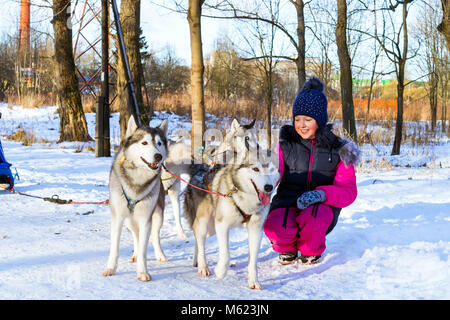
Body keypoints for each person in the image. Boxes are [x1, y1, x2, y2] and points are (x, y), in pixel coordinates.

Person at [263, 77, 360, 265]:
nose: (302, 125)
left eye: (308, 119)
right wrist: (262, 188)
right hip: (288, 201)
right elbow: (274, 173)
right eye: (297, 119)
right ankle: (286, 248)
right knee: (276, 223)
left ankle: (310, 251)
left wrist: (322, 195)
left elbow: (348, 191)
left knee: (312, 217)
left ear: (320, 120)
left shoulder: (340, 150)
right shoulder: (286, 145)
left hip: (320, 207)